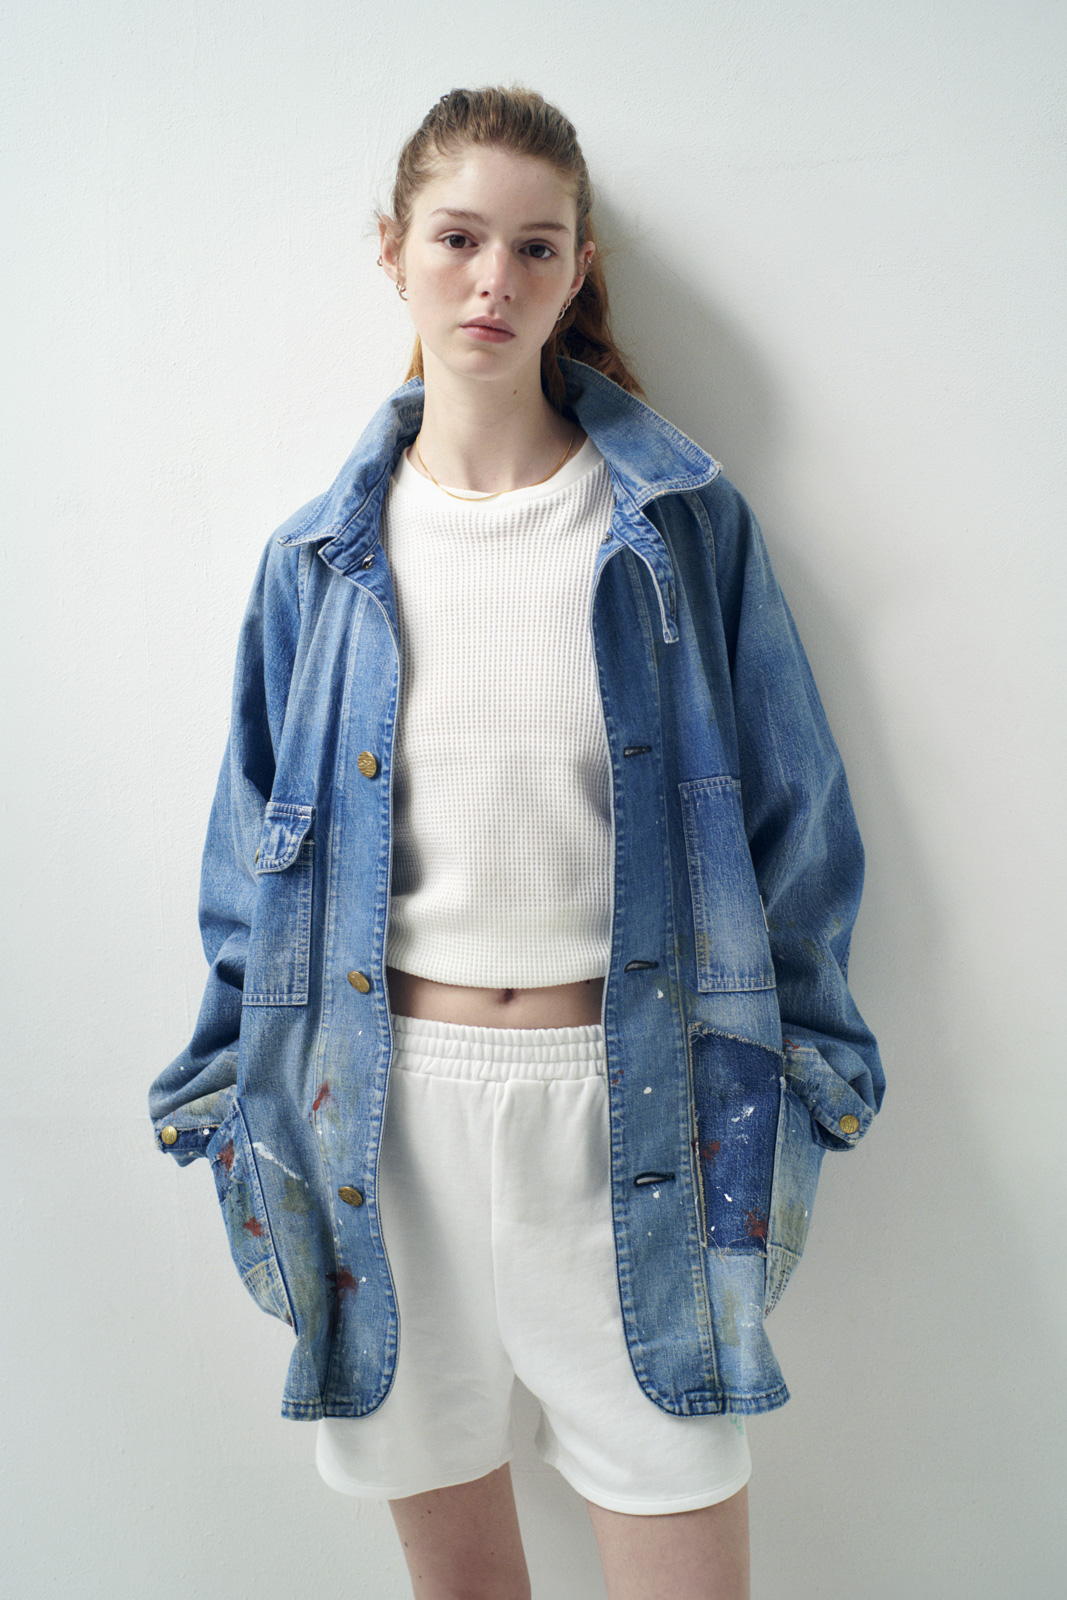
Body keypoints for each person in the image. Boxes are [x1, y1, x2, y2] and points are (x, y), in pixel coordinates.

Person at [148, 85, 884, 1600]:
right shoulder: (317, 561)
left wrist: (804, 1083)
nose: (494, 279)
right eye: (458, 238)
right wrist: (226, 1098)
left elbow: (796, 819)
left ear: (576, 269)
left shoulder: (677, 526)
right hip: (382, 1128)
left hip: (635, 1114)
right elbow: (250, 863)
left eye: (535, 247)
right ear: (394, 252)